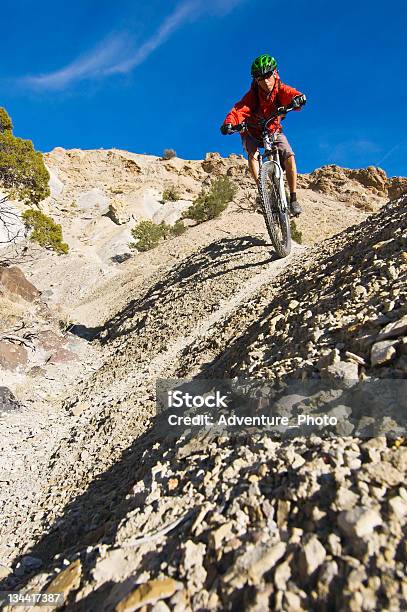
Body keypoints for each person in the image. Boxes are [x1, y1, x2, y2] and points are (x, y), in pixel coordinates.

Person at [220, 54, 306, 215]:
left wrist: (297, 99)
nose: (265, 81)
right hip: (251, 131)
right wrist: (229, 123)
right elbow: (240, 109)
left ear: (275, 73)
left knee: (289, 156)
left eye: (267, 76)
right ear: (255, 80)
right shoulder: (253, 95)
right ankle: (263, 191)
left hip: (272, 129)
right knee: (252, 154)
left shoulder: (280, 89)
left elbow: (291, 94)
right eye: (260, 78)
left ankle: (293, 198)